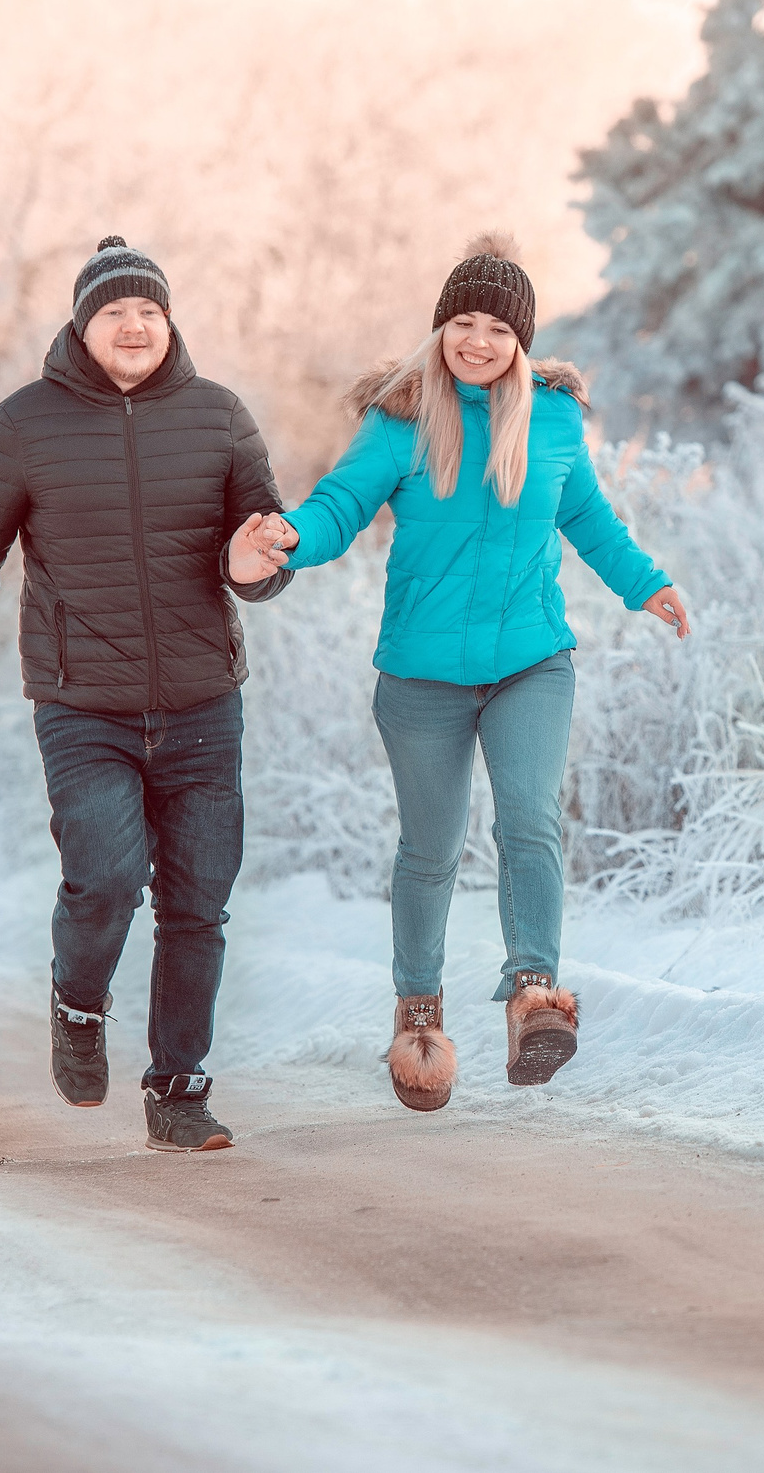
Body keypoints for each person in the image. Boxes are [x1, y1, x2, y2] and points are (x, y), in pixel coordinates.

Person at [225, 233, 690, 1112]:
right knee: (431, 849)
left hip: (530, 662)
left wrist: (646, 583)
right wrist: (288, 534)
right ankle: (419, 1016)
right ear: (441, 327)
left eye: (498, 329)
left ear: (522, 342)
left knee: (530, 818)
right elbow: (340, 506)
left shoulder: (552, 418)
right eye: (464, 322)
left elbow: (588, 517)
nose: (479, 341)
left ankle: (535, 995)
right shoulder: (400, 418)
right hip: (423, 678)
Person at [0, 236, 291, 1153]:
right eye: (115, 311)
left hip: (203, 704)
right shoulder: (26, 424)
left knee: (198, 904)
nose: (135, 325)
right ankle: (78, 1004)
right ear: (82, 325)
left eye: (150, 310)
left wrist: (258, 566)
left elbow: (265, 547)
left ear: (170, 321)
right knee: (107, 877)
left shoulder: (220, 416)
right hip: (83, 707)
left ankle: (179, 1091)